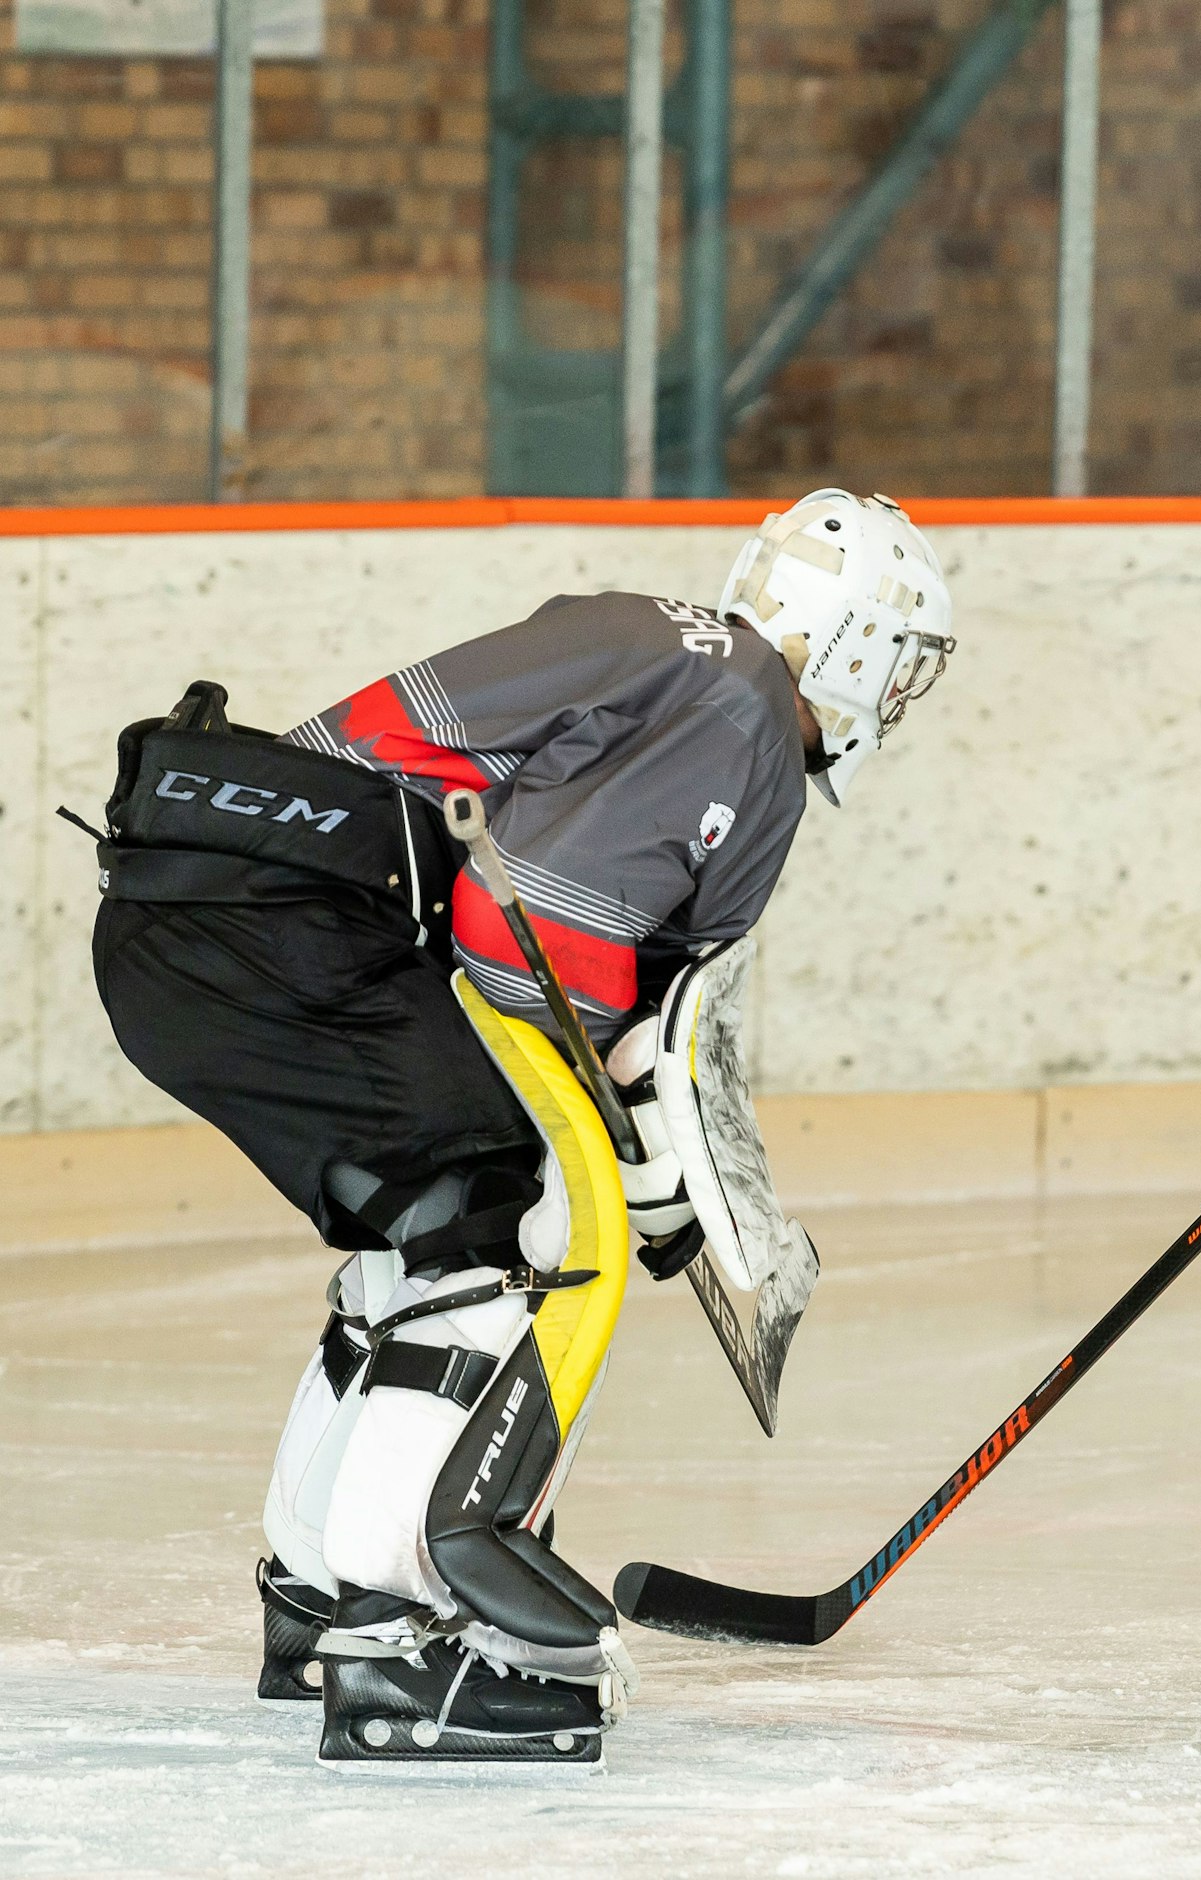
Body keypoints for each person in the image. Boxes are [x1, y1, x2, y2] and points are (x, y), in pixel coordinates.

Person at [88, 489, 955, 1765]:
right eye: (901, 661)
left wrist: (633, 1134)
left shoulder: (686, 657)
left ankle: (322, 1593)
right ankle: (396, 1638)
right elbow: (533, 930)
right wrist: (628, 1144)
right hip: (287, 927)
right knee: (499, 1240)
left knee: (429, 1232)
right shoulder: (742, 714)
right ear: (859, 643)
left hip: (215, 906)